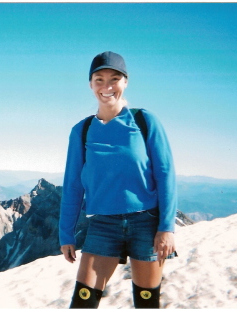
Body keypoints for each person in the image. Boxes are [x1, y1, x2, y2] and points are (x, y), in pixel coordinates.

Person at [59, 51, 177, 308]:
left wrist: (166, 227)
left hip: (146, 223)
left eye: (114, 79)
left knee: (147, 304)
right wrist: (65, 233)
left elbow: (166, 175)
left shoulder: (144, 121)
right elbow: (73, 185)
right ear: (90, 85)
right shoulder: (82, 131)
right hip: (103, 225)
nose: (106, 86)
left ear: (125, 82)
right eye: (99, 79)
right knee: (82, 303)